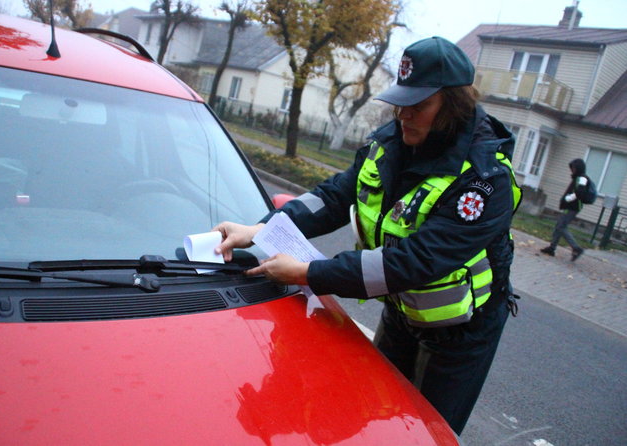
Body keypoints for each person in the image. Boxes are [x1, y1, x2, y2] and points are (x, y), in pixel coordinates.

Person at [213, 36, 521, 434]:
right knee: (379, 419)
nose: (404, 115)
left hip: (459, 335)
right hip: (401, 314)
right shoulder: (390, 142)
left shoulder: (485, 179)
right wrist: (261, 229)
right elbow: (335, 196)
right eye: (401, 103)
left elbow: (414, 263)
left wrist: (309, 272)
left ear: (453, 105)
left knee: (427, 432)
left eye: (419, 106)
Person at [540, 159, 589, 261]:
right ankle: (552, 248)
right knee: (559, 226)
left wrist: (568, 199)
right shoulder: (578, 177)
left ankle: (576, 248)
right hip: (571, 206)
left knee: (561, 227)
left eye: (574, 168)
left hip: (573, 207)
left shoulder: (582, 178)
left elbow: (580, 192)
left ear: (578, 168)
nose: (572, 170)